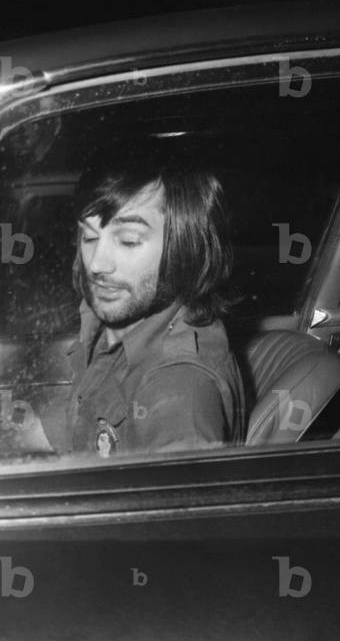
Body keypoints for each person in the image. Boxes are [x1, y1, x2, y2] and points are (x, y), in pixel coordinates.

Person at [56, 160, 245, 456]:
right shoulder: (117, 327)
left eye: (128, 241)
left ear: (184, 246)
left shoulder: (180, 389)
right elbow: (74, 426)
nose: (96, 264)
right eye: (89, 237)